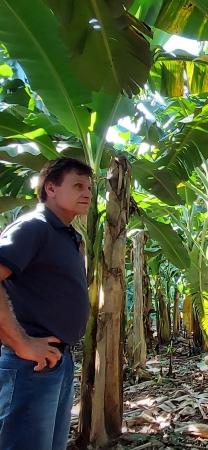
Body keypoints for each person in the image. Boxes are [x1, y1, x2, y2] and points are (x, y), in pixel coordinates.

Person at [0, 157, 93, 449]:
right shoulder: (34, 227)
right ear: (50, 188)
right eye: (78, 185)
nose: (87, 193)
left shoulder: (67, 234)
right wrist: (21, 343)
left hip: (57, 361)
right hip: (31, 363)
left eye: (89, 187)